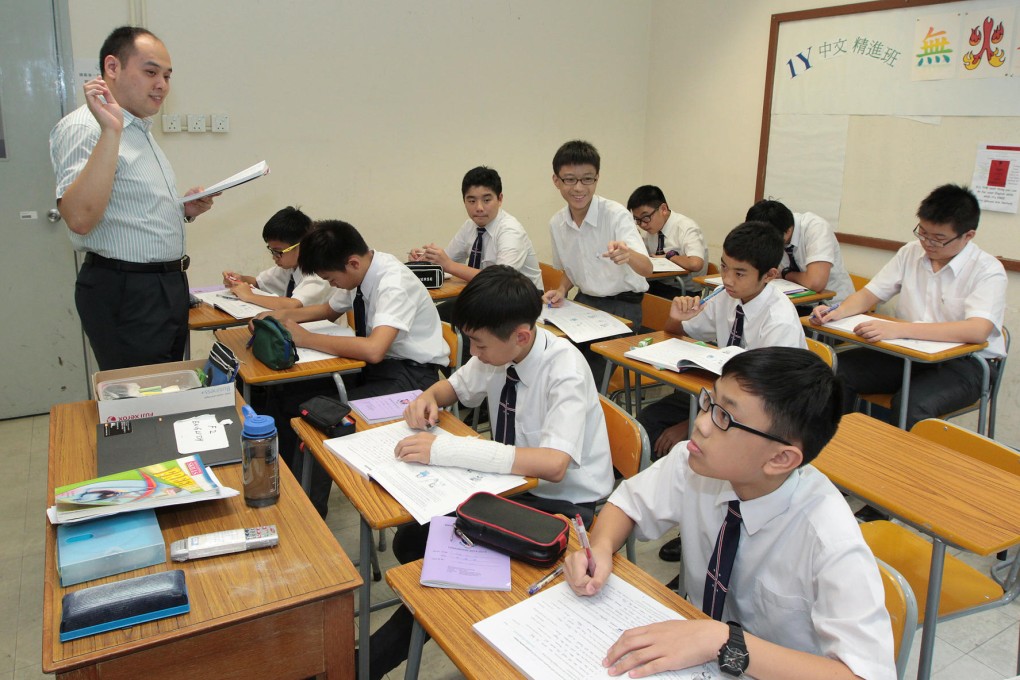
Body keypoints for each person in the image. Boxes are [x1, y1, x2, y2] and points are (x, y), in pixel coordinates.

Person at [563, 347, 896, 680]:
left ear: (780, 459)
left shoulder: (829, 539)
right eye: (711, 402)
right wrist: (602, 548)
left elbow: (865, 675)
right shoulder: (695, 462)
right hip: (695, 654)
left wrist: (722, 640)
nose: (701, 423)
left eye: (725, 417)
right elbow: (627, 505)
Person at [368, 265, 614, 679]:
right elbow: (455, 388)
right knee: (411, 540)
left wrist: (452, 450)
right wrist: (428, 397)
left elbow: (553, 465)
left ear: (521, 334)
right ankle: (467, 608)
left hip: (563, 508)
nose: (473, 352)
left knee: (437, 578)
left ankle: (356, 665)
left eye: (478, 343)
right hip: (512, 490)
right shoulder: (501, 352)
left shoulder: (564, 371)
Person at [49, 26, 216, 370]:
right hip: (127, 291)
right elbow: (80, 218)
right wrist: (111, 131)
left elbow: (126, 208)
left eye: (167, 76)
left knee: (167, 386)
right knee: (142, 399)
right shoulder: (87, 127)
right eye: (151, 72)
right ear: (112, 68)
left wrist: (183, 210)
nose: (162, 85)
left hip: (163, 285)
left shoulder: (139, 129)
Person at [258, 219, 449, 515]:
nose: (332, 285)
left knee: (323, 421)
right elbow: (328, 309)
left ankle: (308, 517)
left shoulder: (392, 282)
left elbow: (374, 349)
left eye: (332, 279)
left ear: (352, 263)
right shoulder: (361, 272)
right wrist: (278, 316)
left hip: (412, 378)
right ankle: (285, 490)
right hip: (378, 368)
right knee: (284, 394)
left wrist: (306, 337)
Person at [640, 222, 806, 564]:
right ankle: (692, 517)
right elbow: (679, 333)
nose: (727, 279)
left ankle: (709, 531)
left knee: (703, 445)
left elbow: (761, 404)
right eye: (725, 266)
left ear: (769, 275)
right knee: (649, 420)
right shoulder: (726, 296)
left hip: (759, 420)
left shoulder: (780, 322)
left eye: (740, 273)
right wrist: (676, 318)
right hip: (718, 403)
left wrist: (691, 426)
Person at [814, 184, 1006, 431]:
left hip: (965, 364)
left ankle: (900, 469)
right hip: (906, 353)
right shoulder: (911, 252)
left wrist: (900, 330)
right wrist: (836, 312)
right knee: (834, 373)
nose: (928, 243)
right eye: (923, 233)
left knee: (913, 404)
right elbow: (870, 294)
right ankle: (836, 452)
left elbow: (977, 331)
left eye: (939, 238)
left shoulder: (987, 270)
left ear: (968, 236)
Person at [543, 140, 652, 376]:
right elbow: (570, 271)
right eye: (570, 179)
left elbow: (647, 269)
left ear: (597, 178)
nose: (579, 188)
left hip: (622, 308)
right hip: (585, 303)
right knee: (550, 358)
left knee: (585, 374)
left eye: (587, 179)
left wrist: (628, 254)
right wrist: (561, 290)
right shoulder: (557, 223)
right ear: (556, 181)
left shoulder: (615, 215)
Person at [408, 166, 542, 290]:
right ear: (464, 201)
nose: (479, 208)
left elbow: (500, 280)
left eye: (486, 200)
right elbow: (446, 261)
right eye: (472, 201)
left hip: (522, 303)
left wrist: (449, 265)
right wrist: (423, 261)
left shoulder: (510, 230)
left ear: (500, 199)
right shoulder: (470, 226)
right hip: (486, 297)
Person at [746, 200, 855, 308]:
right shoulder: (770, 230)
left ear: (788, 231)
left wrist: (786, 274)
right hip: (792, 302)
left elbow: (815, 283)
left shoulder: (816, 228)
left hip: (833, 305)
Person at [221, 206, 331, 311]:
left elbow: (293, 305)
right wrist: (240, 279)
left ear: (302, 245)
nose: (274, 257)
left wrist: (249, 296)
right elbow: (258, 283)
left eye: (278, 252)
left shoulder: (319, 273)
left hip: (322, 330)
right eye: (272, 250)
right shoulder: (289, 267)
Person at [627, 185, 708, 299]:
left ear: (663, 209)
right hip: (656, 283)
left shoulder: (686, 228)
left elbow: (696, 264)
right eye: (637, 220)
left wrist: (669, 256)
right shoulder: (652, 229)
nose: (643, 225)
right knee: (626, 292)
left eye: (645, 217)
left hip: (683, 291)